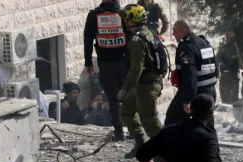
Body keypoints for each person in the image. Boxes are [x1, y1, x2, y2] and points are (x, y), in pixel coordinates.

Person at [120, 4, 164, 149]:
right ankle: (140, 143)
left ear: (132, 21)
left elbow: (136, 69)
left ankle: (165, 153)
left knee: (150, 121)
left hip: (145, 85)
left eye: (126, 19)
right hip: (148, 82)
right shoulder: (149, 33)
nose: (124, 22)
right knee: (128, 109)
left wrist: (125, 88)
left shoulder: (136, 41)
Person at [83, 0, 130, 139]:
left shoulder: (94, 15)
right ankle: (134, 130)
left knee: (113, 99)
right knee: (129, 98)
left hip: (105, 64)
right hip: (124, 64)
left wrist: (88, 62)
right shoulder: (123, 14)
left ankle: (119, 132)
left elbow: (87, 39)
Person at [163, 18, 215, 126]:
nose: (173, 34)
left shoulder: (186, 47)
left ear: (182, 30)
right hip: (210, 92)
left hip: (194, 93)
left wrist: (187, 100)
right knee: (206, 125)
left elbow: (190, 76)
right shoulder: (204, 42)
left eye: (174, 31)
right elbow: (215, 69)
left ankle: (175, 143)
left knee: (172, 121)